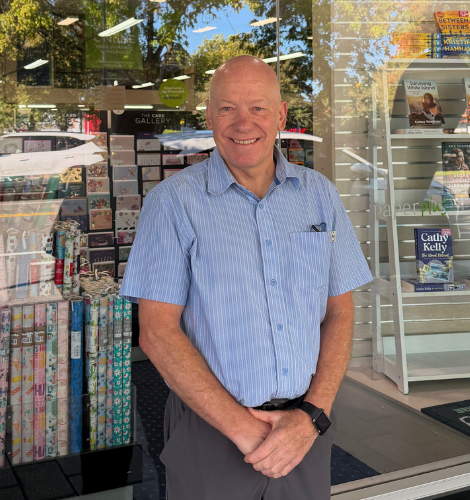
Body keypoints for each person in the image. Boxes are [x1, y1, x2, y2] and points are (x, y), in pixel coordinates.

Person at [120, 55, 372, 500]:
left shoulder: (319, 196)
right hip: (211, 433)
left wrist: (313, 415)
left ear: (280, 115)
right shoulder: (173, 203)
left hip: (305, 431)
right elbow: (157, 333)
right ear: (209, 116)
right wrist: (244, 431)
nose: (243, 123)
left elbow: (339, 311)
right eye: (226, 108)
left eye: (257, 107)